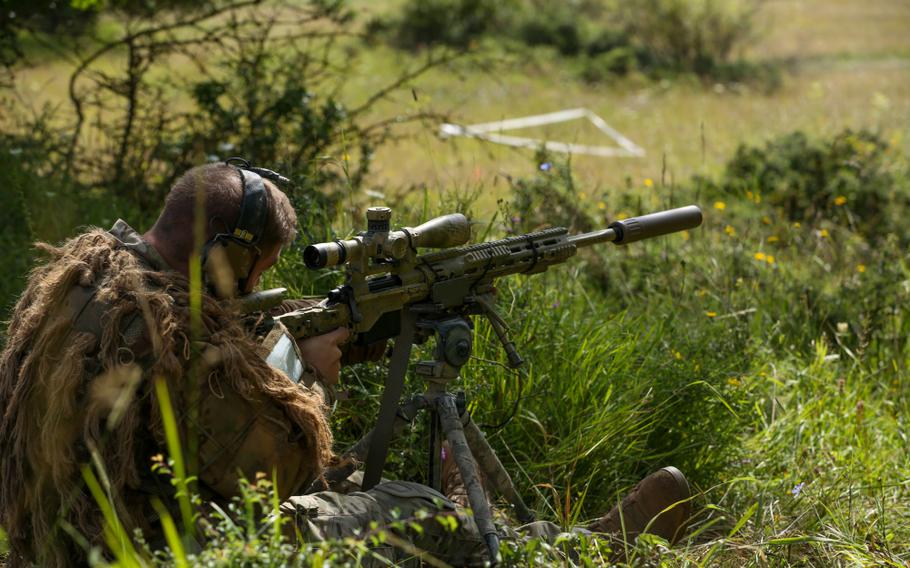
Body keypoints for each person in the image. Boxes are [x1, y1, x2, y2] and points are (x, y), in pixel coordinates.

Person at [0, 161, 691, 566]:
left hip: (63, 535)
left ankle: (529, 537)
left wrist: (296, 337)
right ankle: (577, 554)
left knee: (358, 469)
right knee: (420, 507)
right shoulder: (177, 344)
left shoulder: (93, 279)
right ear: (227, 255)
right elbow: (279, 472)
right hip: (168, 547)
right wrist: (302, 371)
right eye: (256, 273)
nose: (254, 292)